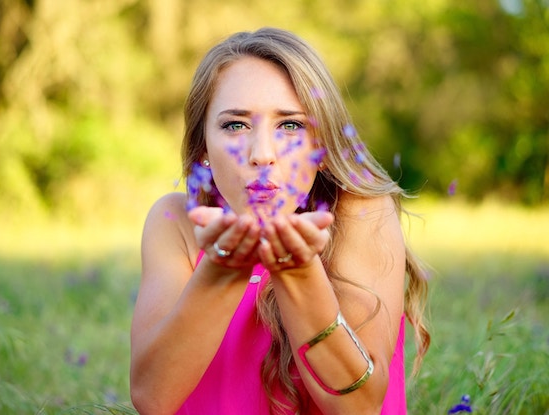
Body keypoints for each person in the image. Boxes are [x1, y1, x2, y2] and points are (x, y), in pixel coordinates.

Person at [130, 27, 430, 415]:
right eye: (235, 125)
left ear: (321, 147)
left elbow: (359, 406)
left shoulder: (361, 212)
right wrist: (223, 270)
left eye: (290, 125)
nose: (262, 154)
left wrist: (299, 273)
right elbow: (152, 398)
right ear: (203, 144)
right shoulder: (176, 223)